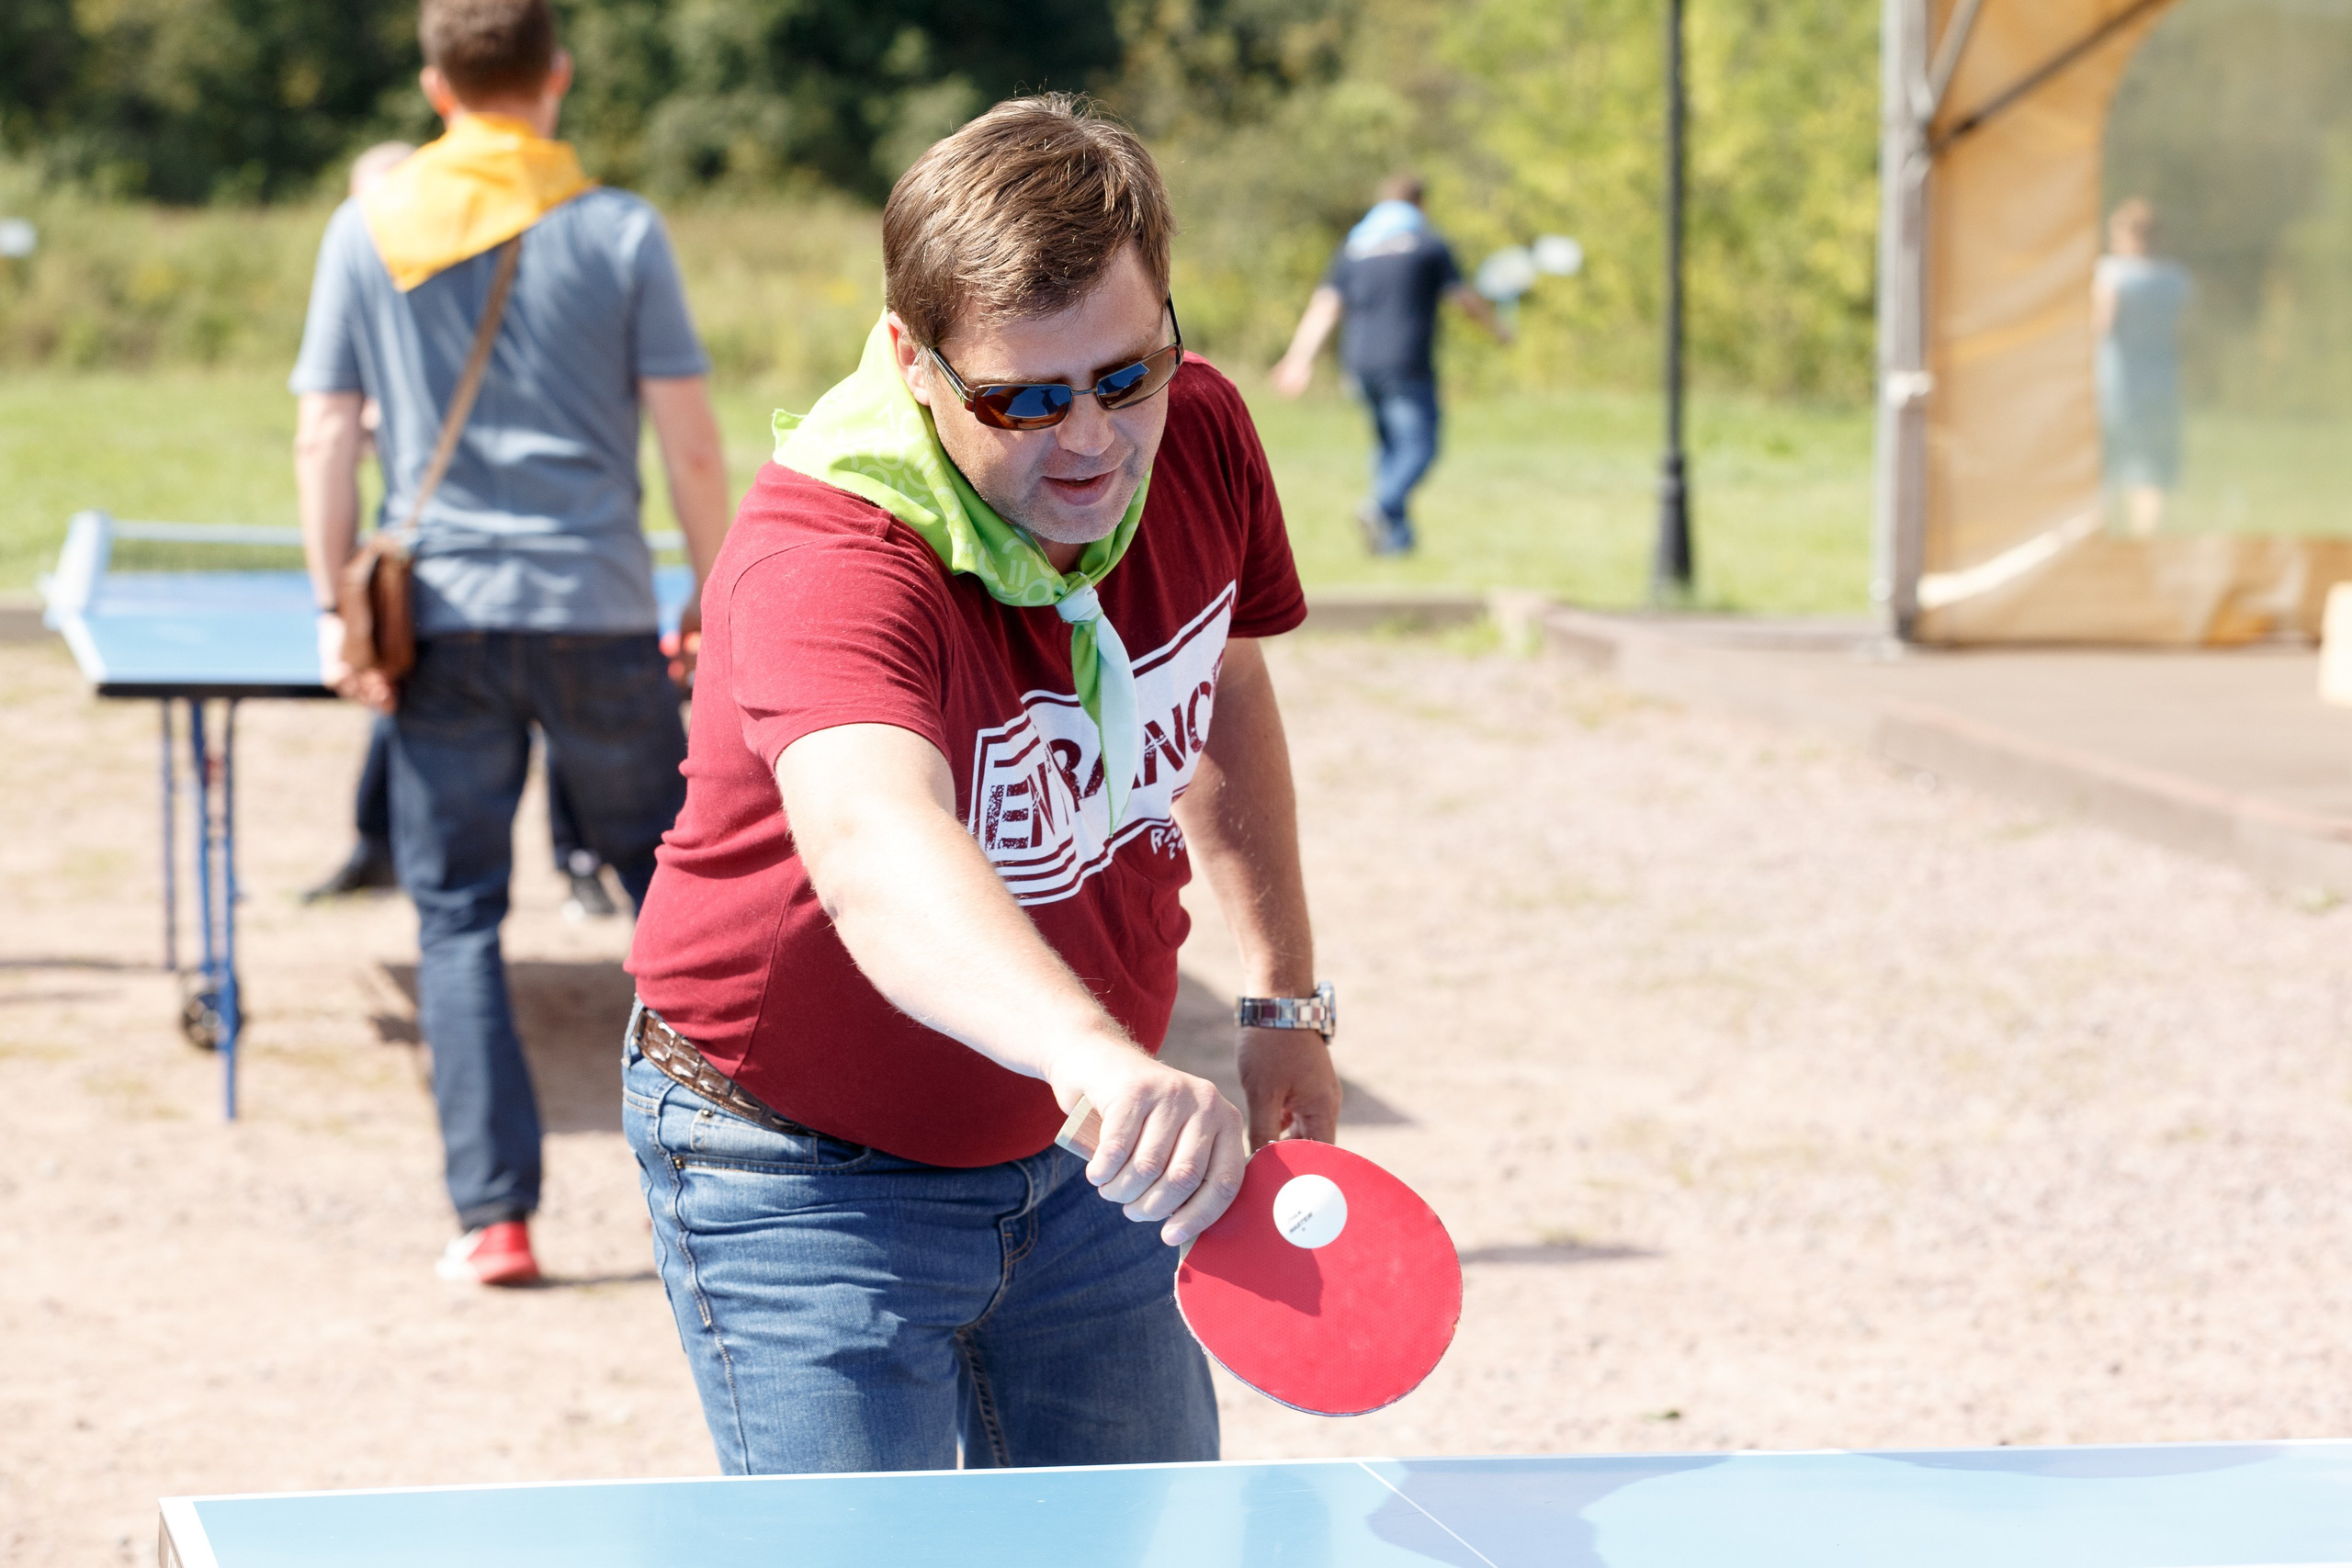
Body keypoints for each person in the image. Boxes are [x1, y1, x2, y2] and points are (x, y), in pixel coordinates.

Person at [622, 94, 1342, 1475]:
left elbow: (1220, 680)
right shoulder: (822, 558)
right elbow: (877, 847)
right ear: (913, 358)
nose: (1092, 439)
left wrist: (1282, 999)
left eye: (1126, 374)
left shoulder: (1198, 431)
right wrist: (1097, 1057)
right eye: (1025, 399)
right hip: (802, 1167)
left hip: (1086, 1155)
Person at [290, 0, 731, 1285]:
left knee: (456, 920)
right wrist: (710, 589)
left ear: (438, 89)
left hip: (443, 622)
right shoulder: (623, 229)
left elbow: (326, 434)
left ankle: (495, 1219)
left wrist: (334, 608)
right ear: (559, 77)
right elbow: (691, 445)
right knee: (675, 902)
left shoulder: (366, 226)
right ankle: (731, 1184)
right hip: (600, 608)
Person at [305, 136, 624, 919]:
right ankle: (376, 842)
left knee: (554, 731)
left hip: (511, 561)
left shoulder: (476, 255)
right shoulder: (380, 263)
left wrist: (327, 606)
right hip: (431, 560)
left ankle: (577, 859)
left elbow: (329, 430)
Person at [1270, 173, 1510, 555]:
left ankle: (1394, 543)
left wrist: (1298, 359)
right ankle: (1381, 506)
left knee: (1388, 448)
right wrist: (1498, 329)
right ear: (1420, 204)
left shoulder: (1354, 247)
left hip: (1358, 364)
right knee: (1420, 447)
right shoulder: (1427, 243)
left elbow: (1326, 305)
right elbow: (1462, 298)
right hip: (1406, 361)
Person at [2094, 197, 2193, 538]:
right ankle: (2145, 543)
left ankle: (2100, 541)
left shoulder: (2112, 274)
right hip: (2161, 383)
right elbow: (2186, 330)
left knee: (2105, 466)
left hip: (2115, 384)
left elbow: (2103, 324)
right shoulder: (2175, 278)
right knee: (2151, 471)